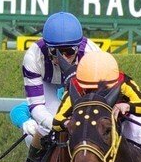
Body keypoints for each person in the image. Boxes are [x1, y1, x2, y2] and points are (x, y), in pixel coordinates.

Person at [18, 11, 98, 146]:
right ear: (47, 47)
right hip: (47, 83)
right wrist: (58, 124)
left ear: (78, 47)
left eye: (70, 51)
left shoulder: (92, 55)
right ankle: (34, 158)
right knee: (48, 122)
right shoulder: (33, 57)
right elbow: (37, 105)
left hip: (80, 83)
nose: (63, 59)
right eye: (55, 52)